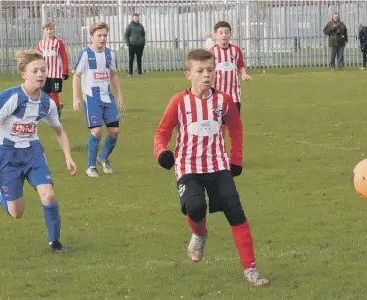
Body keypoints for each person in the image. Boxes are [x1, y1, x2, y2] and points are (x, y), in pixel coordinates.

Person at [153, 48, 269, 286]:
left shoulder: (224, 100)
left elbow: (236, 129)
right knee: (195, 208)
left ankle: (251, 269)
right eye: (200, 71)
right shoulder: (178, 101)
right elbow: (161, 133)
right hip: (188, 167)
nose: (206, 75)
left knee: (235, 210)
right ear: (189, 74)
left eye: (210, 70)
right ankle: (199, 233)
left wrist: (236, 158)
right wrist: (161, 153)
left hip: (218, 165)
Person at [0, 50, 76, 253]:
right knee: (16, 213)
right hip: (7, 155)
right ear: (24, 73)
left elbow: (59, 131)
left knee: (48, 196)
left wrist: (68, 157)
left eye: (43, 70)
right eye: (35, 71)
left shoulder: (47, 102)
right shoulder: (11, 97)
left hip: (32, 154)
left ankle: (55, 243)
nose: (41, 74)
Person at [72, 21, 125, 178]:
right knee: (96, 131)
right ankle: (90, 166)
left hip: (107, 97)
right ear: (91, 36)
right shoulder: (86, 54)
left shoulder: (110, 54)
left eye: (104, 35)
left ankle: (103, 158)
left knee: (114, 131)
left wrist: (119, 94)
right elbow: (76, 76)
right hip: (92, 97)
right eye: (99, 35)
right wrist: (76, 97)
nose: (102, 38)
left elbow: (113, 74)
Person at [207, 21, 251, 115]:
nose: (224, 35)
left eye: (226, 32)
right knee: (219, 123)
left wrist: (244, 74)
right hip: (217, 93)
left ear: (230, 34)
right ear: (215, 35)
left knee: (234, 122)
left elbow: (240, 65)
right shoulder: (212, 51)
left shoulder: (236, 50)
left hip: (234, 94)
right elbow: (208, 69)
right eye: (221, 33)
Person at [36, 23, 69, 119]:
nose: (49, 31)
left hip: (56, 73)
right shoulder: (41, 43)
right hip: (45, 73)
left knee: (54, 93)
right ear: (44, 31)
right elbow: (38, 58)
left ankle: (57, 112)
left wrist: (65, 71)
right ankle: (55, 107)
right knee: (45, 94)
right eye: (47, 29)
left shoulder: (58, 42)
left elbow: (64, 57)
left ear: (53, 30)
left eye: (51, 29)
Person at [124, 13, 146, 78]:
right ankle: (130, 74)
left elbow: (143, 35)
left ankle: (140, 73)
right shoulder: (130, 26)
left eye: (138, 18)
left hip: (140, 45)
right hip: (132, 45)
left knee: (139, 60)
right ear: (133, 18)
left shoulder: (141, 26)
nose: (137, 19)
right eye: (136, 18)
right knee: (131, 59)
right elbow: (126, 35)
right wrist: (128, 44)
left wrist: (143, 43)